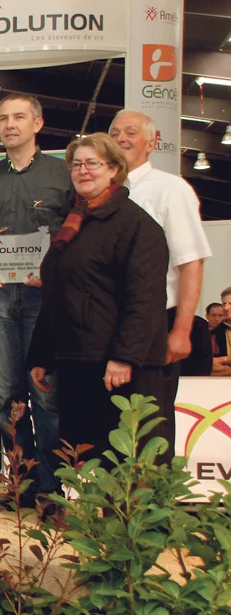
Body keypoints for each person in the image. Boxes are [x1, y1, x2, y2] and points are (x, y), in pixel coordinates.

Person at [28, 133, 168, 465]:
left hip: (117, 367)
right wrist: (43, 355)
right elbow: (57, 293)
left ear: (114, 169)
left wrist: (124, 357)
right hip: (78, 360)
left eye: (93, 163)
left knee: (123, 462)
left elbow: (144, 300)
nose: (83, 170)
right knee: (85, 459)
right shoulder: (74, 222)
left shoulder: (137, 225)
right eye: (76, 164)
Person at [0, 93, 73, 504]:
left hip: (43, 302)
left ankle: (52, 487)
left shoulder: (63, 176)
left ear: (37, 124)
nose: (10, 124)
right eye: (3, 118)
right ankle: (21, 483)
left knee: (45, 394)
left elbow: (75, 236)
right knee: (6, 397)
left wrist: (55, 272)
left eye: (19, 117)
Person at [109, 110, 211, 461]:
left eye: (132, 132)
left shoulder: (170, 189)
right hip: (109, 326)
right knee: (112, 431)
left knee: (150, 427)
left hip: (155, 324)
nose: (122, 138)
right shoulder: (99, 192)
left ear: (152, 142)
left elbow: (191, 263)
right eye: (115, 131)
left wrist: (181, 330)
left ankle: (150, 513)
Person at [211, 288, 231, 376]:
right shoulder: (215, 332)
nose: (226, 308)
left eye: (230, 304)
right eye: (224, 304)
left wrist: (225, 359)